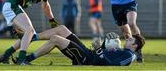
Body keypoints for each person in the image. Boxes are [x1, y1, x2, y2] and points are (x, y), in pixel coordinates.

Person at [0, 0, 62, 65]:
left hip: (16, 7)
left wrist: (52, 21)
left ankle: (6, 55)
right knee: (29, 30)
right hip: (11, 6)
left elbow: (46, 6)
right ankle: (21, 60)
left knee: (30, 35)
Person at [15, 27, 145, 66]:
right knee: (62, 29)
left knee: (55, 39)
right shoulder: (124, 50)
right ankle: (31, 37)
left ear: (135, 45)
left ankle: (26, 60)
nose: (128, 39)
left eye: (131, 39)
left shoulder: (129, 56)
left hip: (86, 60)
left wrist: (100, 49)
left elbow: (112, 64)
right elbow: (105, 55)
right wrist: (104, 44)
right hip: (89, 54)